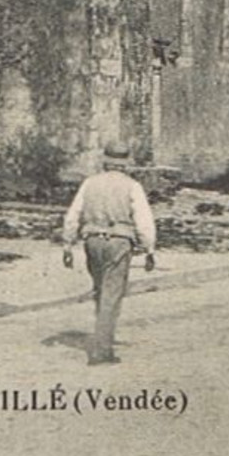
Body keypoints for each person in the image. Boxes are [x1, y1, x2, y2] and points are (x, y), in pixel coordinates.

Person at [61, 141, 157, 366]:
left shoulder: (89, 183)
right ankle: (101, 350)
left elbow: (73, 214)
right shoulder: (132, 186)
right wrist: (150, 249)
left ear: (105, 161)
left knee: (100, 290)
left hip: (92, 241)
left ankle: (104, 335)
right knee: (112, 295)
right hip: (119, 242)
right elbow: (144, 221)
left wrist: (67, 244)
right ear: (125, 164)